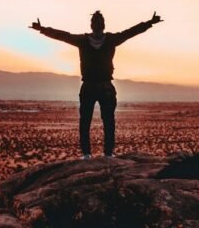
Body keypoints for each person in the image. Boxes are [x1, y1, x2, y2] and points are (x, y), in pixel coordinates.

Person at [30, 10, 163, 159]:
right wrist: (42, 29)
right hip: (96, 86)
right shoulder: (97, 40)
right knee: (94, 121)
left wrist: (150, 23)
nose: (98, 25)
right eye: (97, 22)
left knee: (102, 121)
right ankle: (95, 154)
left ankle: (101, 153)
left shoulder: (99, 40)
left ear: (98, 25)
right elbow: (62, 35)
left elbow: (130, 32)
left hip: (99, 86)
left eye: (99, 22)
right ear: (96, 25)